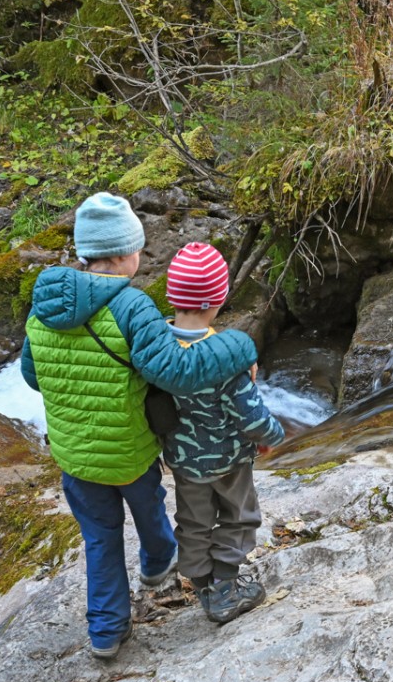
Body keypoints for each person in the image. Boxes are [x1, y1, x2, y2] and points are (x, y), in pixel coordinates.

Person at [20, 193, 257, 657]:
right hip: (130, 450)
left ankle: (107, 632)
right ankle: (156, 563)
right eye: (139, 251)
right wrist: (240, 345)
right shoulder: (133, 308)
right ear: (127, 253)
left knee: (99, 537)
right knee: (148, 504)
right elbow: (176, 371)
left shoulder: (43, 307)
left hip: (74, 456)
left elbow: (32, 376)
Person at [158, 242, 286, 624]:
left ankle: (202, 585)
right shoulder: (224, 358)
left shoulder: (157, 350)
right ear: (219, 297)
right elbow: (251, 416)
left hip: (183, 460)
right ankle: (226, 588)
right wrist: (275, 434)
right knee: (238, 517)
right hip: (229, 460)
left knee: (194, 521)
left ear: (171, 295)